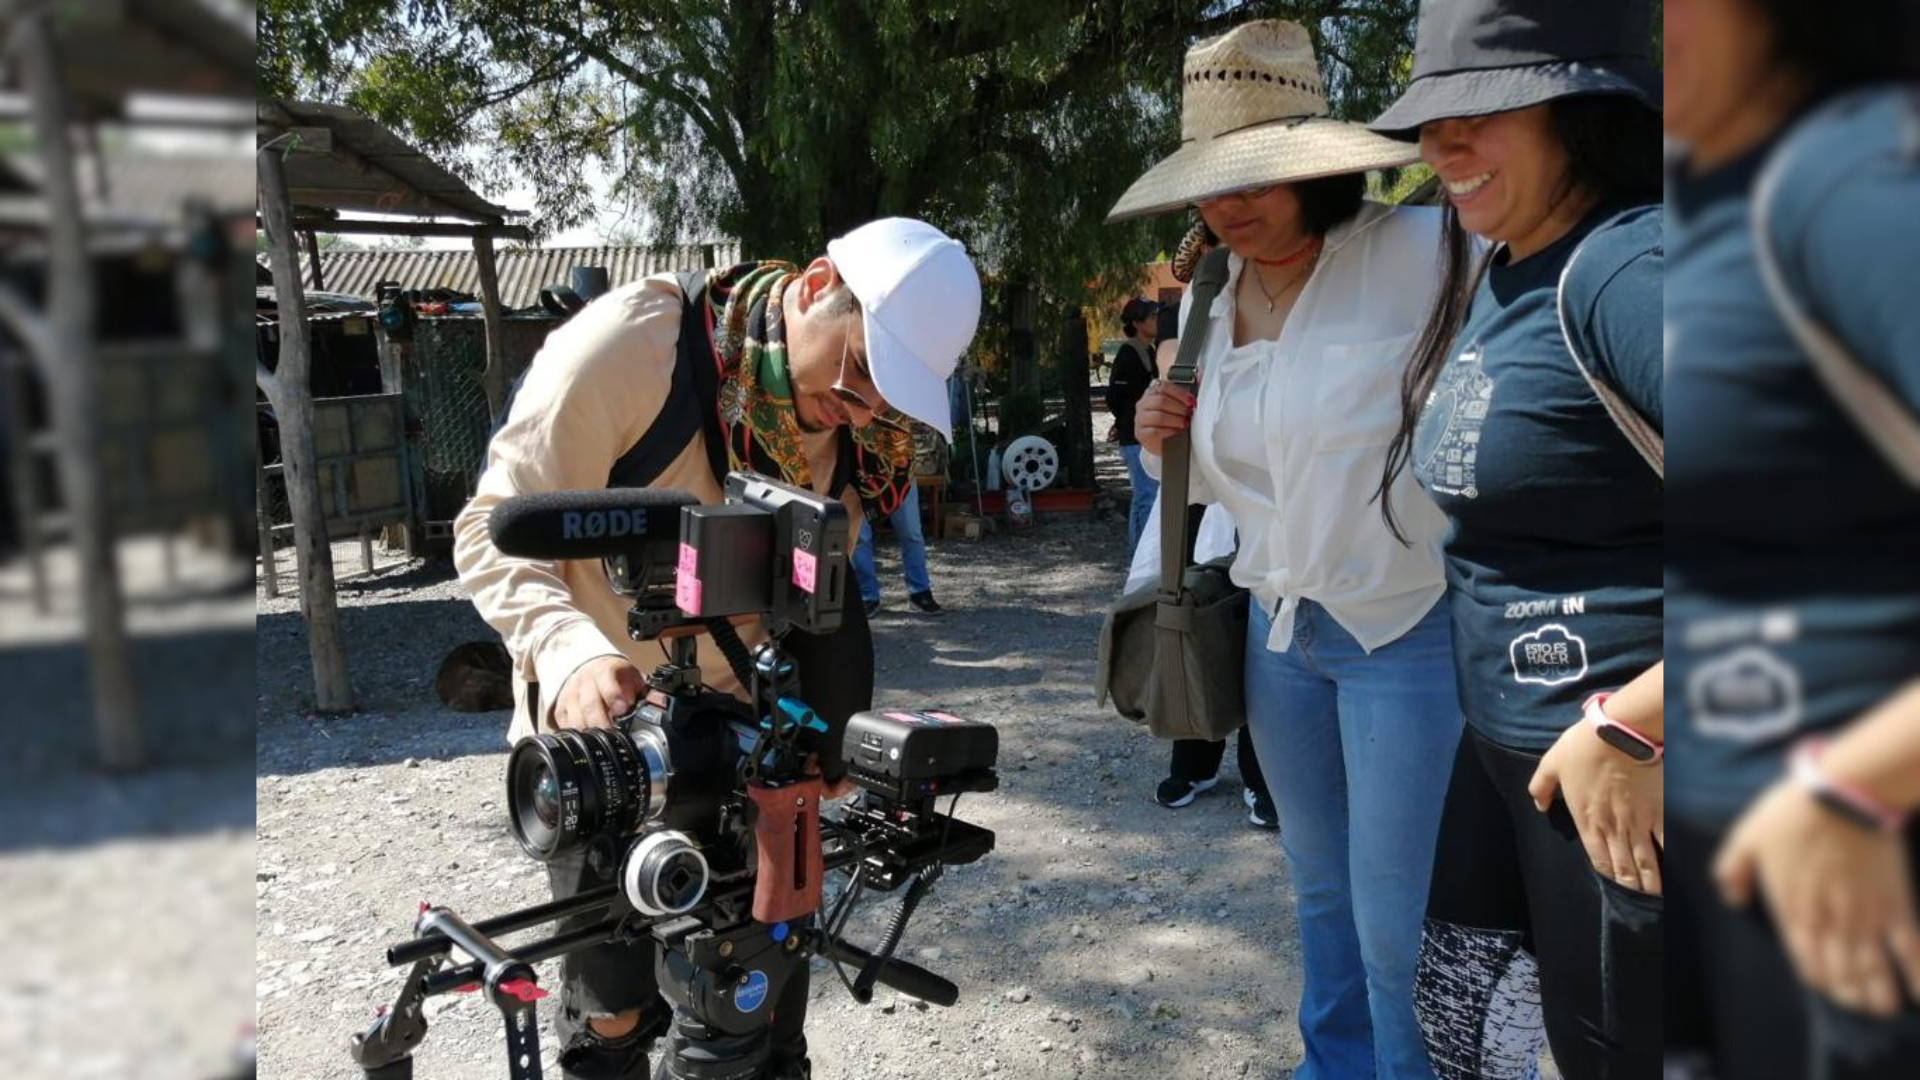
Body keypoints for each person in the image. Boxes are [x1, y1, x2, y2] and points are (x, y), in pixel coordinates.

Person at [453, 218, 981, 1080]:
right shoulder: (636, 347)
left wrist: (833, 731)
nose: (858, 413)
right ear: (814, 286)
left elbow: (826, 586)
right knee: (614, 1012)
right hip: (611, 729)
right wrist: (567, 650)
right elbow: (490, 527)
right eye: (855, 379)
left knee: (756, 1003)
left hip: (752, 740)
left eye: (887, 401)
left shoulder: (858, 427)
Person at [1114, 21, 1461, 1080]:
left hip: (1406, 626)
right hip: (1280, 633)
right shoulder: (1214, 297)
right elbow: (1235, 484)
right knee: (1318, 886)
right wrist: (1159, 439)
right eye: (1213, 188)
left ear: (1319, 165)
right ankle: (1334, 1065)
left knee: (1401, 912)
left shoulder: (1431, 251)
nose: (1229, 208)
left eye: (1257, 180)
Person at [1368, 1, 1666, 1076]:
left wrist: (1639, 726)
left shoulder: (1632, 267)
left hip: (1631, 783)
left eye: (1486, 110)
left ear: (1588, 109)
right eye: (1431, 118)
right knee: (1471, 1017)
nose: (1443, 146)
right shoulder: (1508, 261)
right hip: (1511, 757)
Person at [1660, 1, 1920, 1075]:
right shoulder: (1702, 187)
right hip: (1736, 857)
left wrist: (1864, 781)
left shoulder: (1849, 175)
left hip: (1860, 883)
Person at [1126, 492, 1277, 828]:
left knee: (1260, 655)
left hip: (1264, 510)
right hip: (1198, 497)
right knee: (1196, 652)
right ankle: (1193, 766)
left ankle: (1261, 778)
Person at [1106, 296, 1161, 555]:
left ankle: (1146, 554)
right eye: (1152, 317)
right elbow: (1114, 396)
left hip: (1148, 434)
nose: (1158, 322)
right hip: (1133, 436)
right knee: (1144, 497)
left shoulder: (1150, 351)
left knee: (1150, 495)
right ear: (1138, 323)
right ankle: (1139, 555)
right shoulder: (1128, 354)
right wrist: (1125, 420)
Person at [850, 477, 942, 616]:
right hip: (857, 471)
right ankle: (867, 595)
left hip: (900, 470)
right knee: (859, 537)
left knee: (911, 532)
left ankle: (919, 592)